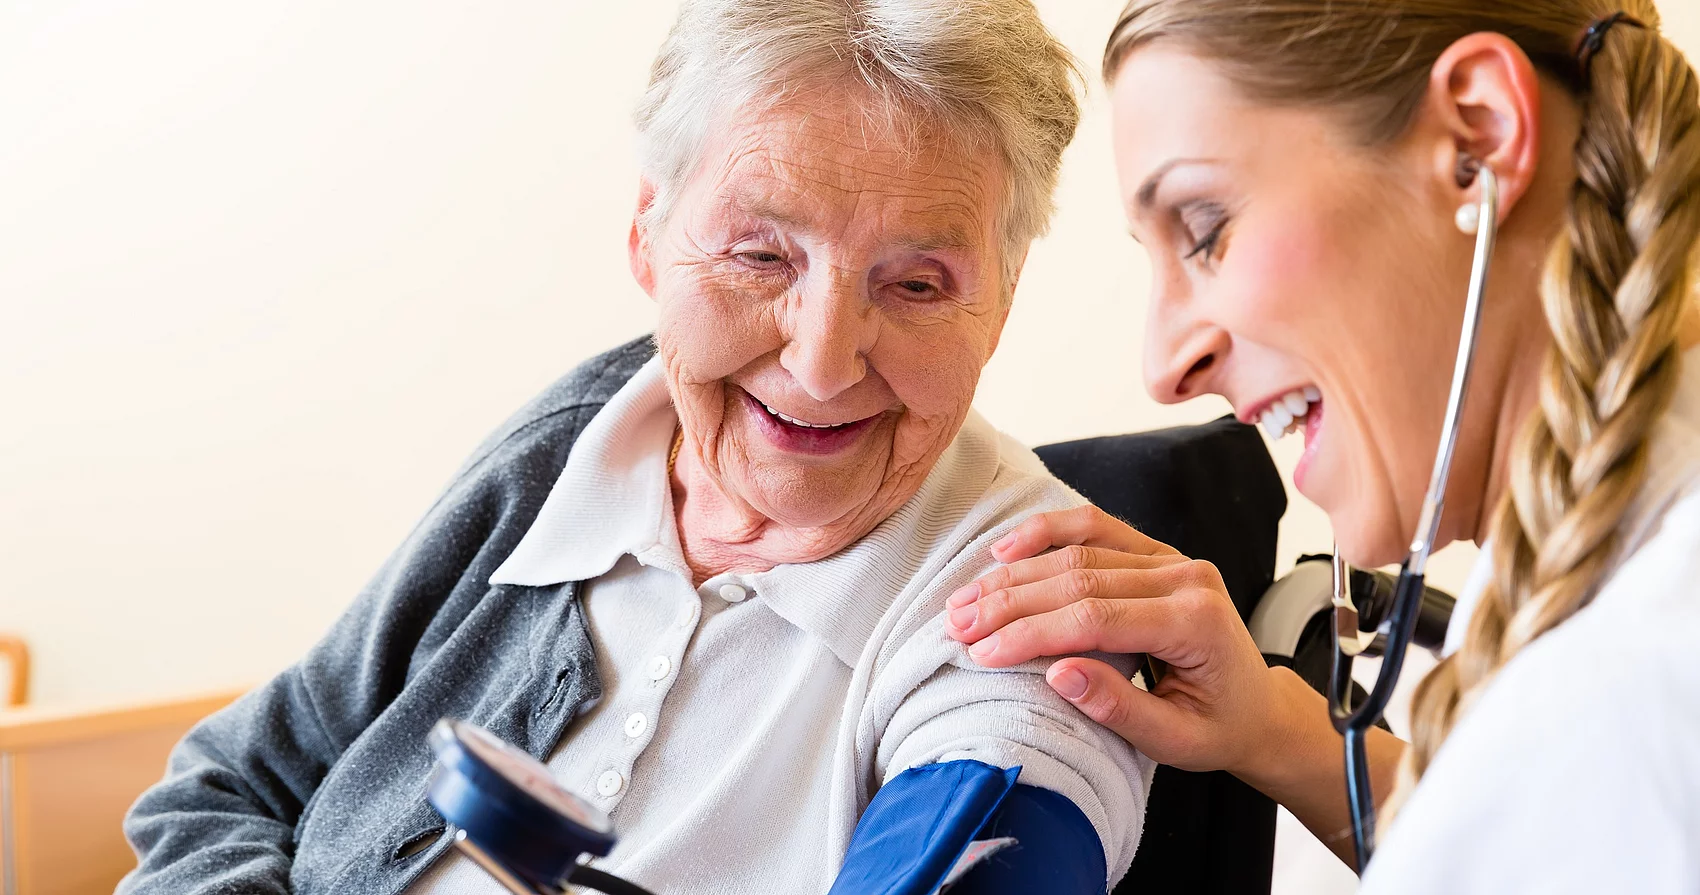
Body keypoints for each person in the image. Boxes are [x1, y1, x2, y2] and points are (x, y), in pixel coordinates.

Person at [117, 2, 1151, 893]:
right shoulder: (579, 440)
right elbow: (225, 787)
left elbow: (1006, 828)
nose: (824, 359)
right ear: (647, 239)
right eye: (759, 253)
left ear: (1001, 305)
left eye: (916, 282)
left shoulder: (1030, 594)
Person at [947, 0, 1700, 890]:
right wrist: (1266, 722)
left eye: (1206, 229)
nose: (1164, 368)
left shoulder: (1652, 662)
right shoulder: (1599, 583)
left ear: (1480, 139)